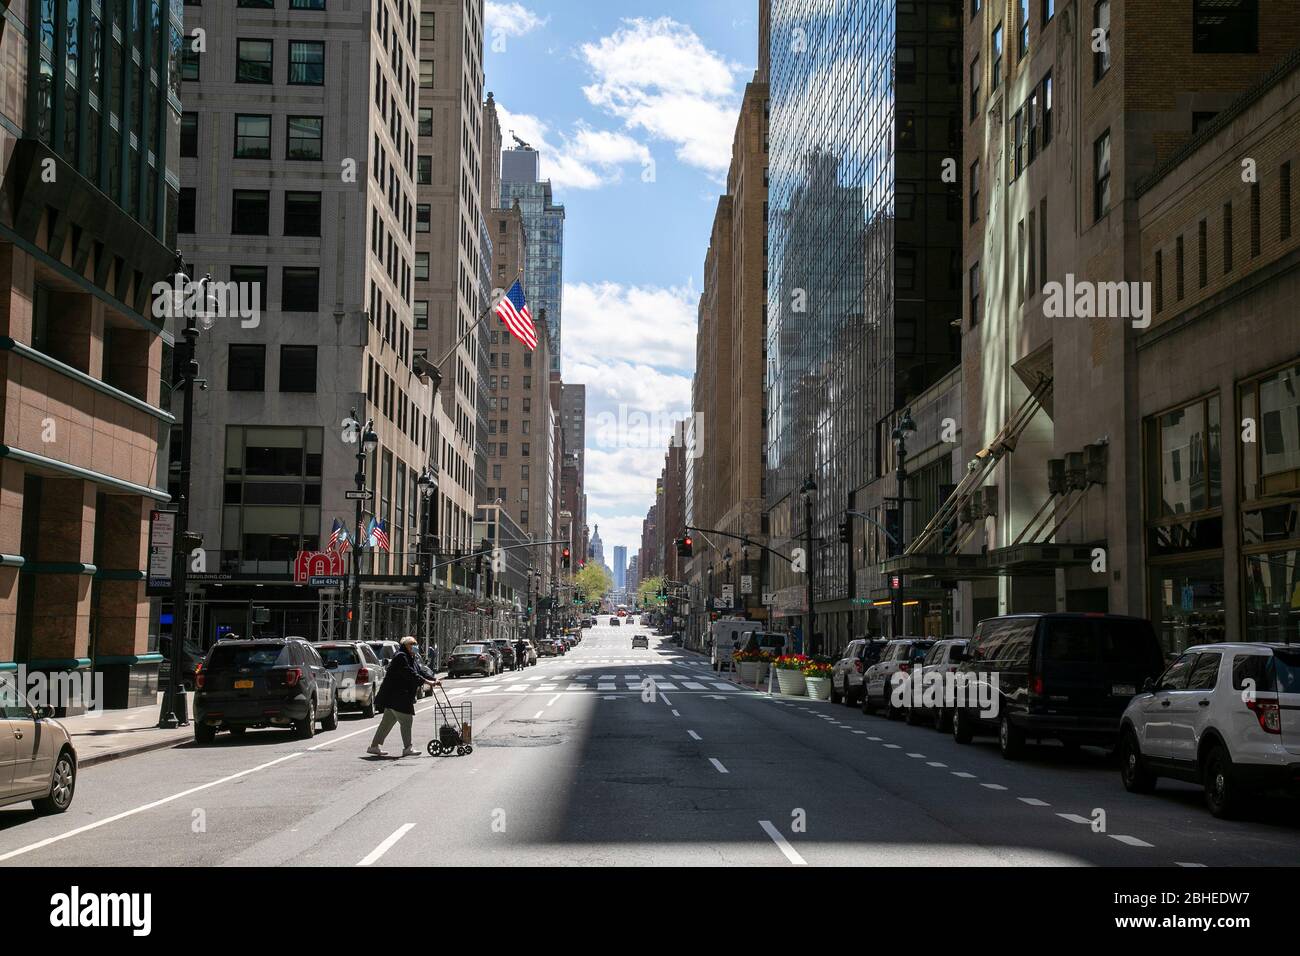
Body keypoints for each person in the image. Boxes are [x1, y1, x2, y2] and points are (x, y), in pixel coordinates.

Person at [367, 636, 439, 757]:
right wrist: (427, 682)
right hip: (397, 695)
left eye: (415, 644)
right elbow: (409, 673)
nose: (414, 646)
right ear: (405, 645)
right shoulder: (401, 656)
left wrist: (433, 679)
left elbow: (419, 671)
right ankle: (407, 748)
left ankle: (374, 746)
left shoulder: (410, 657)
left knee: (387, 722)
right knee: (406, 720)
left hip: (395, 696)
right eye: (411, 644)